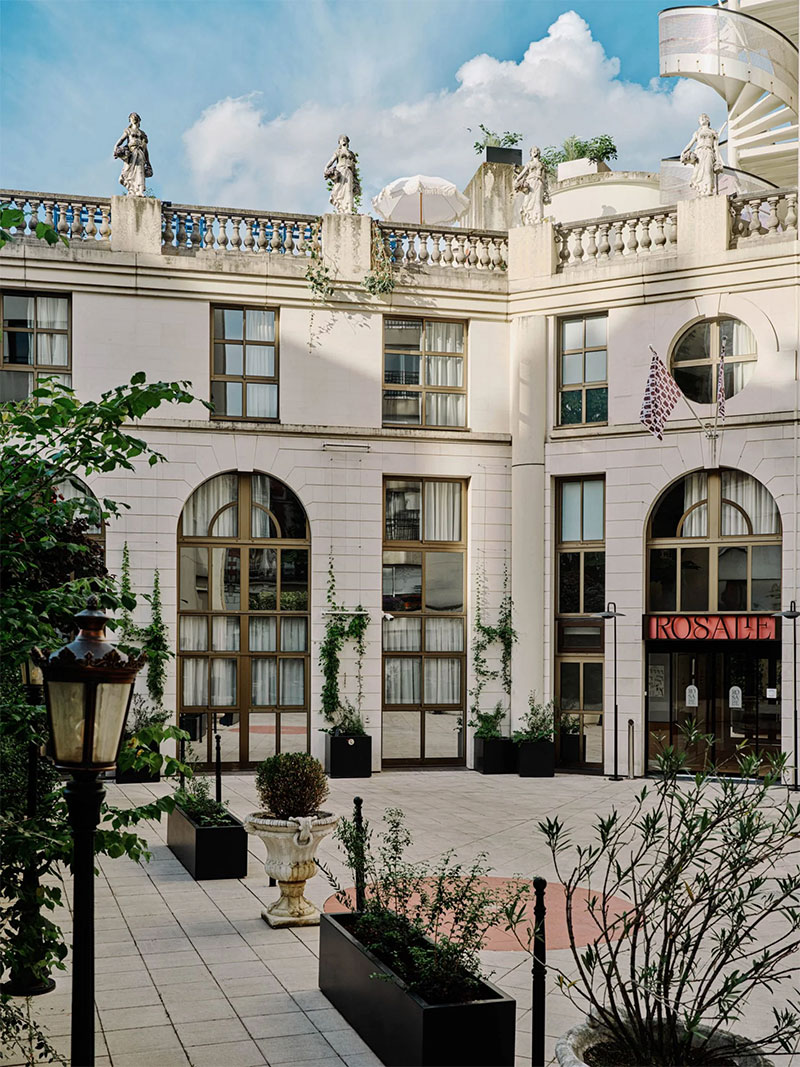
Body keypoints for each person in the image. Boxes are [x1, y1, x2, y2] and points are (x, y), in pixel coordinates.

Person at [680, 114, 724, 197]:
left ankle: (709, 190)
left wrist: (718, 160)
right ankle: (701, 190)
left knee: (708, 170)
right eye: (700, 119)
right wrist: (684, 151)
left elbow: (716, 147)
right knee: (699, 172)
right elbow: (690, 143)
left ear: (708, 120)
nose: (702, 119)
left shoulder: (713, 132)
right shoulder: (697, 132)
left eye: (704, 118)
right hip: (699, 152)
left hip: (708, 151)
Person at [113, 113, 153, 197]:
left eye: (135, 117)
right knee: (129, 171)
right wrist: (116, 146)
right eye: (132, 117)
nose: (134, 118)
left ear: (138, 120)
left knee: (140, 171)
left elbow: (145, 149)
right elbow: (121, 139)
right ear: (130, 120)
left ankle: (139, 190)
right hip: (131, 153)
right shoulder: (128, 131)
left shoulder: (142, 134)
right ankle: (131, 189)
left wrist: (148, 162)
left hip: (140, 153)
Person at [324, 135, 361, 215]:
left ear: (348, 141)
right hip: (340, 173)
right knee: (338, 191)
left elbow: (354, 167)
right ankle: (341, 208)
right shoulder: (338, 152)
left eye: (345, 139)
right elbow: (331, 160)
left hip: (349, 172)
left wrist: (356, 179)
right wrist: (326, 168)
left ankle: (349, 209)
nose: (343, 140)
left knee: (348, 190)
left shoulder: (351, 153)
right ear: (339, 142)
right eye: (341, 139)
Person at [514, 146, 549, 225]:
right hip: (530, 183)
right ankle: (528, 219)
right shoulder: (529, 164)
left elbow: (544, 178)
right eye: (532, 150)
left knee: (538, 200)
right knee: (528, 201)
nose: (534, 151)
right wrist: (517, 180)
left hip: (539, 183)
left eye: (536, 150)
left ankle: (538, 218)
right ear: (530, 153)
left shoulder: (541, 164)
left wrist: (546, 189)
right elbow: (523, 172)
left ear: (538, 152)